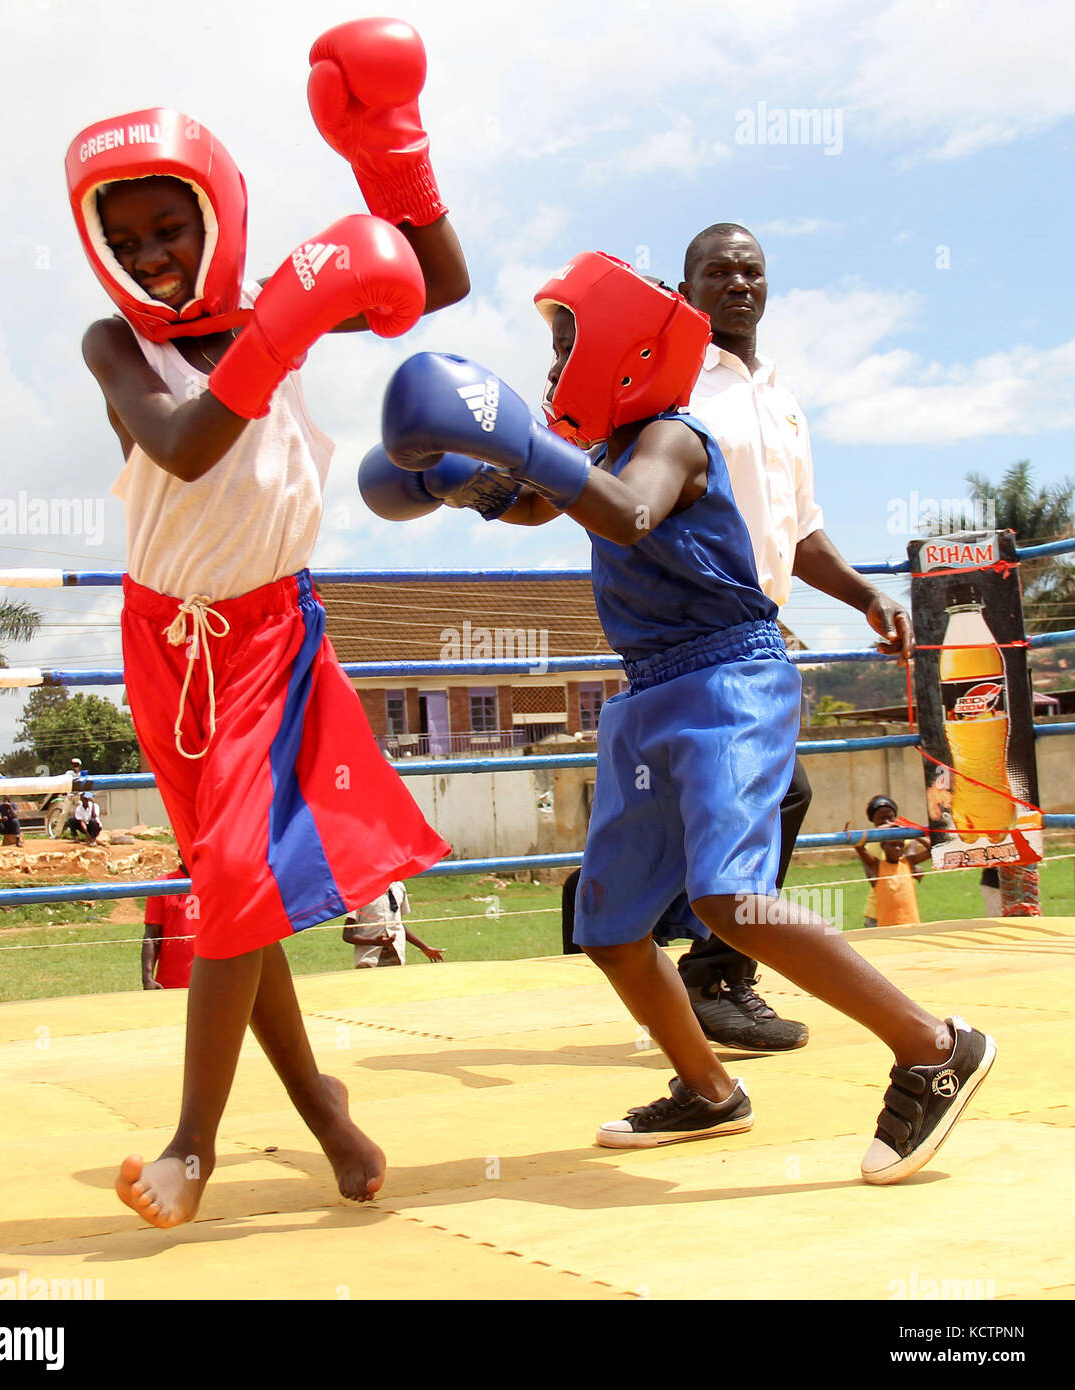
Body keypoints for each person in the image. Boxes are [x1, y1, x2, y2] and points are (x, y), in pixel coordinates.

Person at [363, 252, 995, 1184]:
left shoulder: (670, 439)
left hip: (729, 682)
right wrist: (455, 477)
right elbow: (540, 503)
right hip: (648, 691)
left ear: (621, 351)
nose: (548, 372)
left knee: (726, 898)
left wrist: (511, 442)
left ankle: (934, 1046)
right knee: (611, 925)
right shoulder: (603, 451)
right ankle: (706, 1091)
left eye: (565, 345)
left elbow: (626, 517)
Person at [68, 18, 466, 1228]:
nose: (152, 256)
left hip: (269, 640)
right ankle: (326, 1110)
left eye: (172, 228)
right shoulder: (116, 346)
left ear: (215, 217)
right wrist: (287, 318)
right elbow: (186, 449)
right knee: (236, 891)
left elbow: (435, 283)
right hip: (166, 643)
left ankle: (193, 1143)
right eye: (126, 240)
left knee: (235, 881)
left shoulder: (263, 311)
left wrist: (394, 160)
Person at [667, 222, 916, 1051]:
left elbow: (801, 533)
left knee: (761, 796)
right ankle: (711, 974)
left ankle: (681, 957)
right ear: (686, 286)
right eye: (718, 272)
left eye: (752, 272)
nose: (738, 284)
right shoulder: (674, 383)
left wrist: (864, 599)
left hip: (757, 632)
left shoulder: (780, 395)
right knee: (771, 795)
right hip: (697, 624)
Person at [851, 795, 932, 928]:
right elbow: (872, 877)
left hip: (906, 915)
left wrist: (912, 831)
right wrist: (881, 830)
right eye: (882, 819)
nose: (887, 822)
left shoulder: (905, 839)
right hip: (878, 913)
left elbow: (914, 859)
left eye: (890, 818)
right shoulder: (870, 846)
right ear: (873, 821)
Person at [342, 881, 444, 968]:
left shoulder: (398, 887)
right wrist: (375, 941)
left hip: (396, 957)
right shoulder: (359, 891)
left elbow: (397, 924)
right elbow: (347, 935)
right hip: (370, 959)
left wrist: (424, 947)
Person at [143, 861, 195, 990]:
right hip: (171, 983)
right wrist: (147, 978)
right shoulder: (162, 885)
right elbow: (152, 936)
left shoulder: (217, 883)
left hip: (212, 982)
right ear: (179, 853)